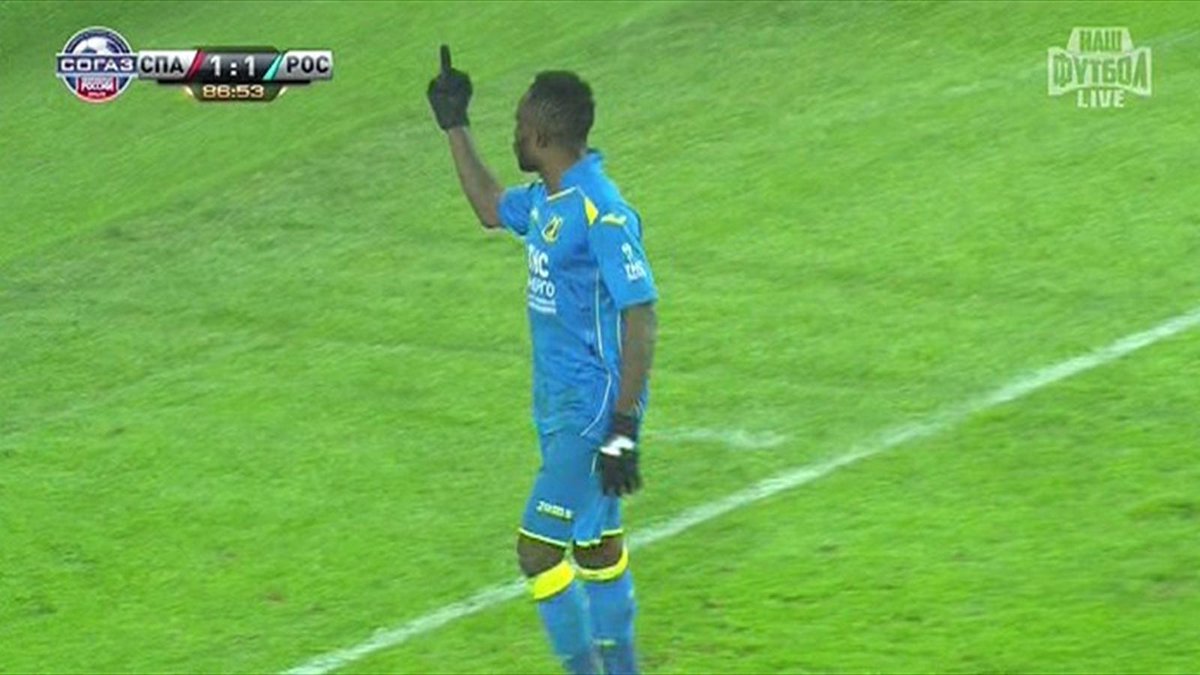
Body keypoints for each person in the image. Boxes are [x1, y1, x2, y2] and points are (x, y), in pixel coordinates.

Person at [427, 45, 658, 675]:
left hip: (593, 412)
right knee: (597, 547)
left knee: (537, 552)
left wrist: (623, 427)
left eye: (519, 125)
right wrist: (454, 125)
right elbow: (489, 206)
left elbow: (641, 315)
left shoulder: (600, 210)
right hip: (558, 407)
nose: (514, 134)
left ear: (542, 135)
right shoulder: (546, 202)